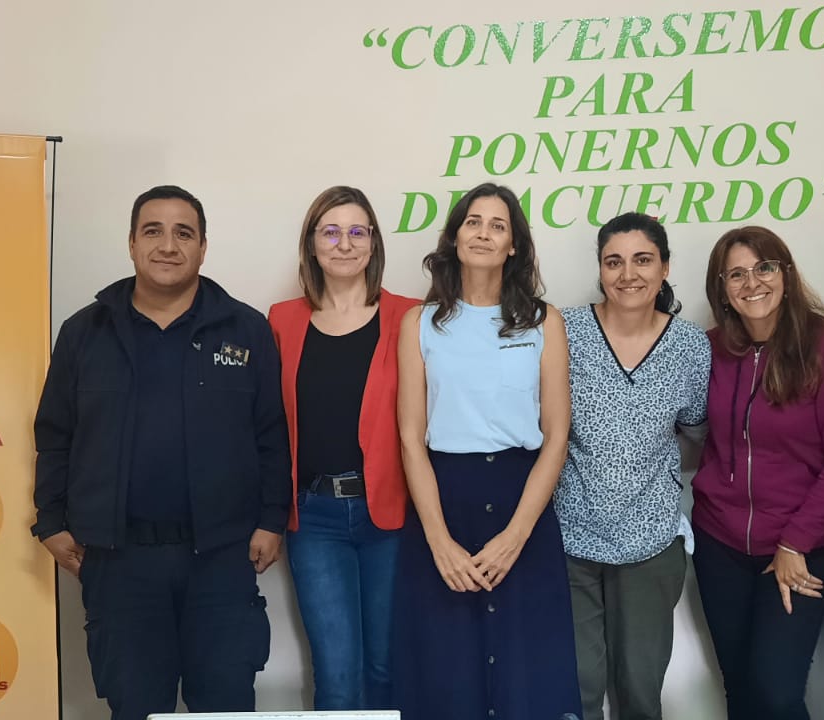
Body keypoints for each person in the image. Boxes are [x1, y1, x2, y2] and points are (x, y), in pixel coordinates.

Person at [30, 185, 291, 720]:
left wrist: (271, 518)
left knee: (225, 706)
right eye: (153, 231)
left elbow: (271, 432)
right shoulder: (84, 332)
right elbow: (56, 433)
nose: (167, 245)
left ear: (202, 247)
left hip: (222, 557)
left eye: (183, 233)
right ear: (131, 243)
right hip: (120, 562)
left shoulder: (245, 329)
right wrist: (51, 521)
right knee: (136, 708)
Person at [392, 182, 583, 720]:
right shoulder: (421, 323)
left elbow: (557, 435)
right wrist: (439, 541)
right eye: (473, 222)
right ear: (454, 237)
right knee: (448, 672)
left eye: (497, 225)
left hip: (524, 503)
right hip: (445, 502)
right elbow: (411, 437)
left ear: (514, 245)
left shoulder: (545, 321)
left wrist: (515, 536)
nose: (483, 233)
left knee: (530, 673)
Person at [691, 225, 824, 720]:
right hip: (719, 543)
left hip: (796, 548)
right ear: (721, 288)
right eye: (737, 274)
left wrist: (795, 544)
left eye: (764, 268)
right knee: (741, 689)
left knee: (776, 691)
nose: (753, 283)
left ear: (785, 274)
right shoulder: (708, 350)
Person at [267, 186, 419, 710]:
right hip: (314, 520)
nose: (344, 244)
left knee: (387, 666)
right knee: (335, 674)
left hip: (391, 518)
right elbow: (267, 426)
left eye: (358, 232)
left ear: (374, 244)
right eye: (330, 232)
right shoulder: (281, 321)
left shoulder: (410, 317)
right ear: (312, 244)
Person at [554, 212, 710, 720]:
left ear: (665, 267)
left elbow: (696, 432)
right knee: (576, 686)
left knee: (640, 689)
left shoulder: (689, 346)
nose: (628, 274)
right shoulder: (563, 330)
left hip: (650, 543)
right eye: (613, 262)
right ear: (599, 270)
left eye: (643, 260)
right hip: (570, 539)